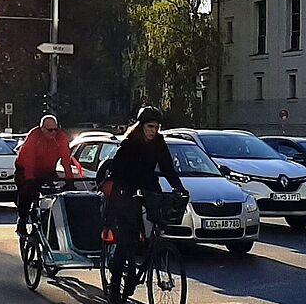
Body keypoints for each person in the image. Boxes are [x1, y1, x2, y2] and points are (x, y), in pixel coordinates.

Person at [99, 106, 188, 287]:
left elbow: (167, 168)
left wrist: (179, 188)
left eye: (156, 127)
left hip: (147, 185)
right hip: (125, 189)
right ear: (141, 126)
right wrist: (126, 191)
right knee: (126, 240)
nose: (153, 131)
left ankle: (151, 247)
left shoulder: (159, 142)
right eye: (150, 127)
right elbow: (117, 172)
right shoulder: (129, 144)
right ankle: (115, 283)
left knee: (159, 215)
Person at [14, 114, 80, 234]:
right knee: (26, 191)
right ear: (42, 129)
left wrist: (70, 181)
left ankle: (47, 219)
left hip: (47, 169)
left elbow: (66, 160)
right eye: (50, 130)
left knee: (53, 192)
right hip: (25, 168)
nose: (53, 133)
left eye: (56, 129)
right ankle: (22, 221)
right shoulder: (34, 136)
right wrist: (29, 179)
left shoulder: (60, 137)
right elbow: (29, 160)